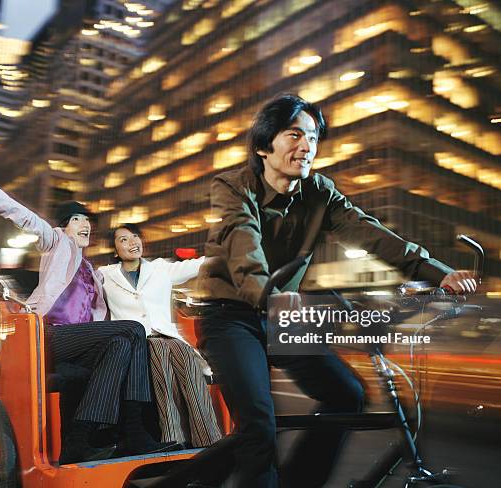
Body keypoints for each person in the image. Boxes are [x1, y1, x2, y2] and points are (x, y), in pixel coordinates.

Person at [196, 94, 478, 487]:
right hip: (232, 316)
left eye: (312, 137)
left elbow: (372, 233)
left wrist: (438, 273)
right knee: (259, 424)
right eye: (294, 134)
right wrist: (267, 294)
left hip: (282, 316)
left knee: (346, 395)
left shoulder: (320, 192)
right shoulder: (233, 187)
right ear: (263, 145)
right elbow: (244, 245)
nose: (306, 145)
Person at [0, 167, 177, 464]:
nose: (84, 224)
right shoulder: (58, 244)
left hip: (81, 343)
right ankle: (134, 433)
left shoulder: (94, 273)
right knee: (131, 330)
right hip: (49, 336)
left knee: (123, 343)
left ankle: (81, 440)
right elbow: (22, 216)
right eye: (76, 219)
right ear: (63, 226)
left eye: (86, 220)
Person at [98, 223, 222, 448]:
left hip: (167, 335)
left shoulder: (160, 268)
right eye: (124, 240)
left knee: (185, 356)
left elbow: (198, 265)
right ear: (115, 251)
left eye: (135, 237)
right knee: (162, 359)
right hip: (136, 341)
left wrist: (227, 250)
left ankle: (209, 439)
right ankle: (174, 439)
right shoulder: (104, 275)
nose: (132, 242)